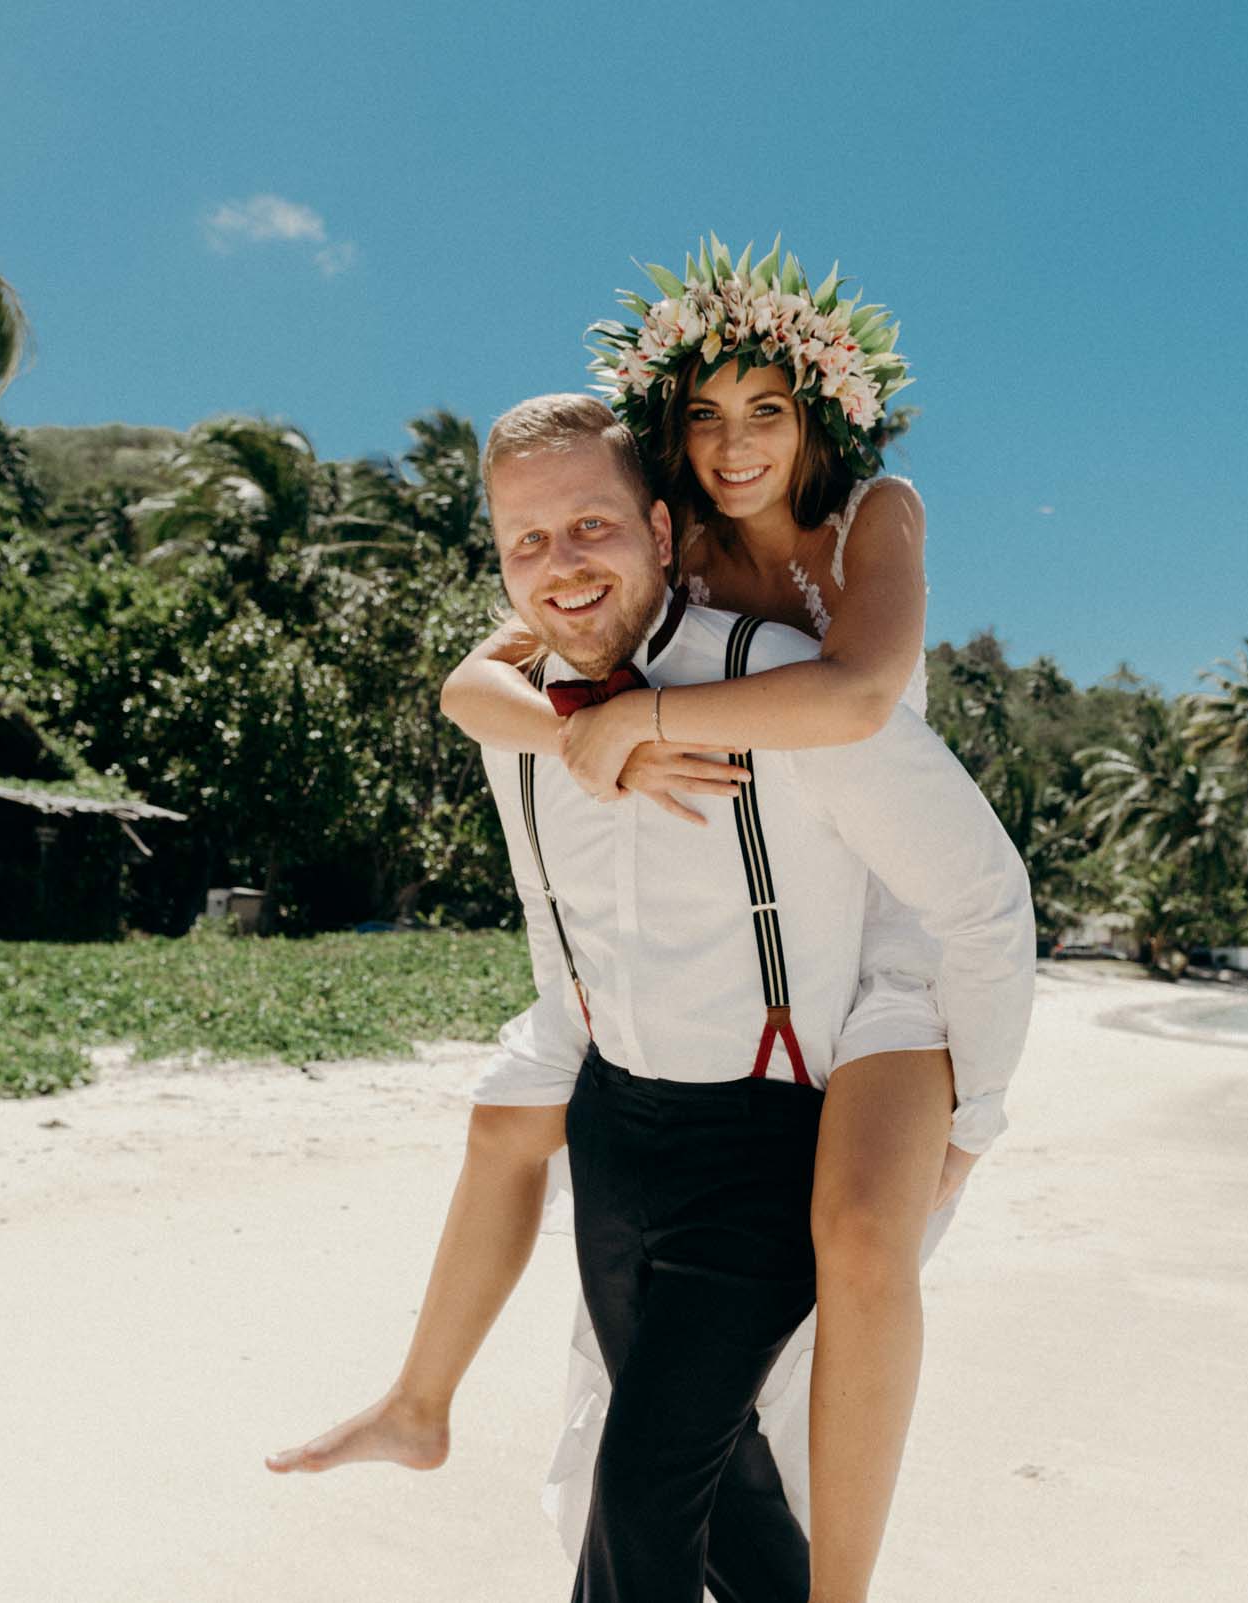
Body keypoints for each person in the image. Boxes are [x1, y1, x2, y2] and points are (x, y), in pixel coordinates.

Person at [271, 246, 1027, 1599]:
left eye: (593, 527)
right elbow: (477, 692)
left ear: (664, 529)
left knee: (657, 1470)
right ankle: (424, 1402)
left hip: (818, 1061)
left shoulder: (807, 639)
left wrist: (977, 1116)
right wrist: (582, 733)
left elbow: (939, 836)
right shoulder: (543, 697)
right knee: (714, 1476)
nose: (560, 562)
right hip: (629, 1117)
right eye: (525, 542)